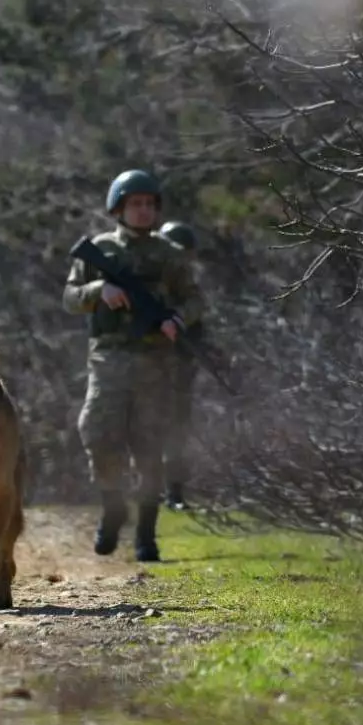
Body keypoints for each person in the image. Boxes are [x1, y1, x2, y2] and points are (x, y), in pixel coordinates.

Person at [61, 169, 203, 562]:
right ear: (118, 208)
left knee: (149, 446)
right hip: (109, 358)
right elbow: (70, 297)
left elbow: (195, 299)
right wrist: (98, 291)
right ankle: (112, 506)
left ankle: (146, 534)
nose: (142, 211)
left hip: (156, 361)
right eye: (134, 204)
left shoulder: (169, 255)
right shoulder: (100, 249)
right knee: (98, 432)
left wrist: (178, 320)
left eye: (148, 204)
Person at [157, 219, 202, 511]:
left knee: (177, 431)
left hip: (179, 369)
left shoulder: (188, 291)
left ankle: (174, 491)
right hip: (146, 367)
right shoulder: (151, 286)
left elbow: (197, 327)